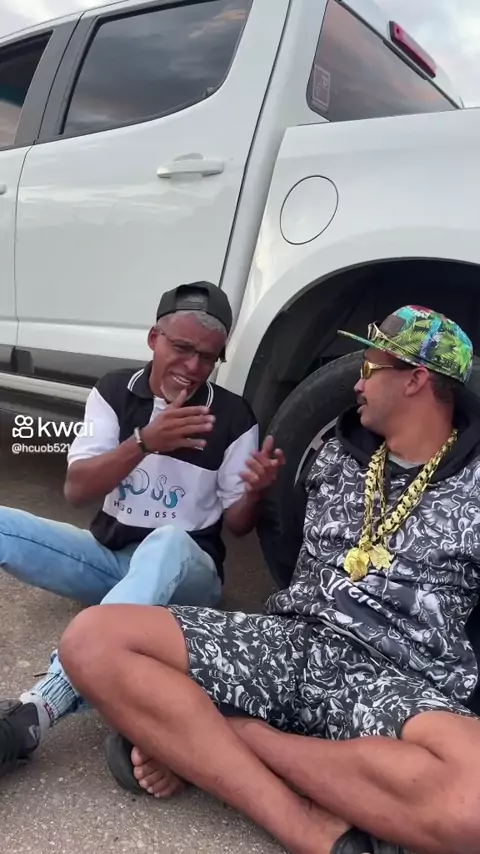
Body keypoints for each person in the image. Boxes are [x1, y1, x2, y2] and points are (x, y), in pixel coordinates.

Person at [58, 306, 480, 854]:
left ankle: (227, 737)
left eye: (370, 369)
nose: (356, 383)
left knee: (471, 800)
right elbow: (260, 535)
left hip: (397, 674)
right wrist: (255, 493)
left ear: (416, 379)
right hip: (291, 644)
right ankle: (303, 824)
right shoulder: (336, 454)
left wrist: (235, 734)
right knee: (92, 640)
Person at [0, 281, 285, 779]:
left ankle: (43, 706)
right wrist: (144, 442)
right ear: (154, 338)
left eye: (208, 357)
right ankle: (125, 608)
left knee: (168, 540)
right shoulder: (113, 392)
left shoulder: (233, 416)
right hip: (111, 561)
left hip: (187, 577)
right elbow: (77, 489)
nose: (193, 366)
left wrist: (254, 494)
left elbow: (237, 526)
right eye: (183, 348)